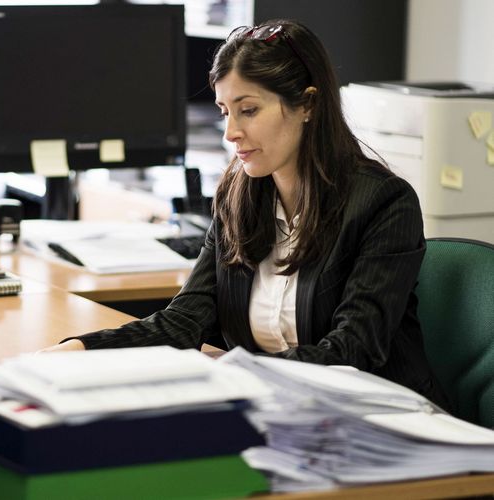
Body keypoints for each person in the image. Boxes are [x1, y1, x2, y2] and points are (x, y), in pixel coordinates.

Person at [44, 20, 450, 409]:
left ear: (308, 104)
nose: (230, 132)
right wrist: (80, 348)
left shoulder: (384, 203)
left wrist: (233, 378)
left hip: (382, 419)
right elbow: (184, 321)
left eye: (248, 110)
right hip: (279, 410)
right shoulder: (238, 198)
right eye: (224, 111)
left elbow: (351, 351)